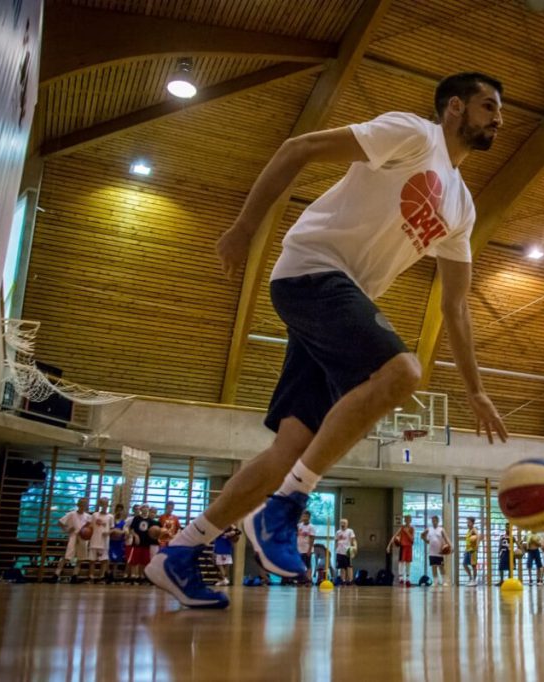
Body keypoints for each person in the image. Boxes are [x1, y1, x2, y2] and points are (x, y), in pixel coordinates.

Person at [148, 71, 509, 608]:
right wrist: (247, 226)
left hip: (338, 297)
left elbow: (454, 306)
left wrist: (477, 390)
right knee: (403, 371)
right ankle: (284, 507)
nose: (498, 118)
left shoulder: (462, 207)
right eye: (488, 106)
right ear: (454, 108)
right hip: (311, 271)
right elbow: (301, 147)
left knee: (290, 447)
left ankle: (179, 552)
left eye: (499, 111)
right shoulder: (413, 135)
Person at [55, 498, 90, 581]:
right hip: (73, 536)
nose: (83, 506)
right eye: (81, 504)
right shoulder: (71, 514)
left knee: (80, 558)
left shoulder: (88, 516)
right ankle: (56, 574)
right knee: (67, 557)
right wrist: (67, 529)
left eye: (84, 504)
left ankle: (74, 575)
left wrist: (88, 532)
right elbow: (59, 523)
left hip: (83, 538)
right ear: (78, 505)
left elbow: (90, 527)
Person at [126, 505, 156, 583]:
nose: (145, 509)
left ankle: (141, 575)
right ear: (141, 509)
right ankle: (133, 575)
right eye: (144, 508)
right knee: (135, 559)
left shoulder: (150, 521)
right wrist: (135, 536)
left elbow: (152, 532)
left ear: (148, 510)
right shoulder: (136, 518)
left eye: (147, 508)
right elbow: (131, 529)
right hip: (137, 542)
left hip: (146, 542)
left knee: (144, 560)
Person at [87, 497, 114, 582]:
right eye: (103, 503)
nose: (104, 505)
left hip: (104, 541)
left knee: (104, 560)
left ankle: (101, 576)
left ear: (108, 504)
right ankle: (91, 576)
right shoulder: (95, 515)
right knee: (92, 560)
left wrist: (108, 532)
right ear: (100, 504)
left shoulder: (110, 516)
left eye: (106, 503)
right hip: (94, 539)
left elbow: (112, 528)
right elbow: (90, 527)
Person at [387, 515, 415, 586]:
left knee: (408, 563)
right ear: (404, 520)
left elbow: (412, 539)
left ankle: (408, 579)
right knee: (401, 562)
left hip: (409, 547)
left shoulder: (412, 528)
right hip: (403, 546)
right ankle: (401, 578)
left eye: (409, 519)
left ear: (410, 520)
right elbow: (394, 536)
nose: (407, 520)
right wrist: (389, 545)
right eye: (406, 519)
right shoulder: (402, 528)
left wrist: (407, 532)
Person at [422, 515, 450, 586]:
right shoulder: (429, 530)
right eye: (432, 520)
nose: (433, 522)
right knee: (433, 567)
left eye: (435, 520)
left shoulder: (441, 529)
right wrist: (423, 538)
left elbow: (446, 540)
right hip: (432, 552)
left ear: (438, 521)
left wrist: (448, 546)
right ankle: (435, 581)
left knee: (441, 567)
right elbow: (428, 541)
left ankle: (444, 581)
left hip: (439, 552)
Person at [296, 511, 317, 585]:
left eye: (306, 516)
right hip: (299, 549)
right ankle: (301, 579)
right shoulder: (299, 525)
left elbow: (312, 539)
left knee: (307, 564)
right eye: (303, 516)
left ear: (309, 517)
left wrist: (309, 550)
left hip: (307, 549)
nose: (304, 517)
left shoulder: (311, 527)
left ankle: (309, 579)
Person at [334, 518, 357, 586]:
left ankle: (350, 580)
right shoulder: (338, 532)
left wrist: (355, 547)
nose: (343, 524)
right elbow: (336, 541)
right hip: (339, 552)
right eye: (342, 523)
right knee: (342, 567)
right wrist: (336, 549)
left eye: (344, 523)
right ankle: (343, 580)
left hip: (347, 551)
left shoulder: (350, 531)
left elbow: (353, 540)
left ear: (347, 524)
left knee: (349, 566)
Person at [108, 503, 128, 577]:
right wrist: (114, 530)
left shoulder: (123, 522)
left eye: (121, 510)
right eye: (118, 510)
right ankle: (108, 573)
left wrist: (117, 531)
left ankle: (114, 574)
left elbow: (124, 532)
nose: (119, 512)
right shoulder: (111, 520)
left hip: (119, 542)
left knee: (116, 559)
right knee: (109, 558)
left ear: (122, 511)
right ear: (115, 510)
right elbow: (109, 530)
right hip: (111, 542)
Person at [462, 517, 479, 586]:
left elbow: (478, 536)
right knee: (464, 564)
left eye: (469, 522)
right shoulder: (468, 531)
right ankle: (470, 578)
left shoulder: (473, 529)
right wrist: (465, 550)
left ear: (472, 523)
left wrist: (477, 546)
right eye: (467, 522)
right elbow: (468, 541)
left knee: (473, 566)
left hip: (472, 550)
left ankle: (474, 581)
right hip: (467, 550)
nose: (467, 524)